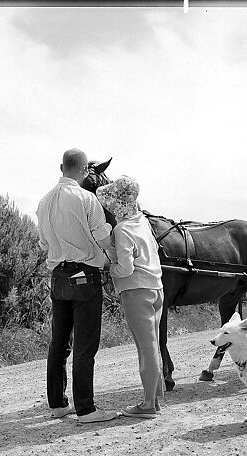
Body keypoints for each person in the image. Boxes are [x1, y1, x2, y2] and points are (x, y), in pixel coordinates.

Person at [36, 148, 119, 423]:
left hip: (58, 277)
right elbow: (102, 237)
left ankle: (58, 404)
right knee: (85, 344)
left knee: (59, 342)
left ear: (61, 167)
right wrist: (116, 258)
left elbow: (44, 244)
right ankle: (86, 409)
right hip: (85, 275)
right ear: (84, 171)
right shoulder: (86, 198)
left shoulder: (43, 202)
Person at [96, 175, 164, 418]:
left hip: (137, 291)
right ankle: (154, 399)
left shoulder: (122, 229)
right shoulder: (142, 221)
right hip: (156, 289)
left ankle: (148, 405)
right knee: (153, 345)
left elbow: (126, 268)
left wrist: (109, 268)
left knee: (145, 348)